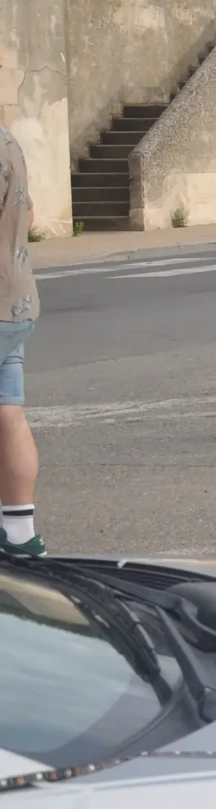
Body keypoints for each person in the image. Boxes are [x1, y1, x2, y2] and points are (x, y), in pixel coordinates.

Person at [0, 123, 38, 558]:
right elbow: (29, 214)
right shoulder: (8, 140)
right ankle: (20, 534)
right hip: (15, 302)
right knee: (9, 414)